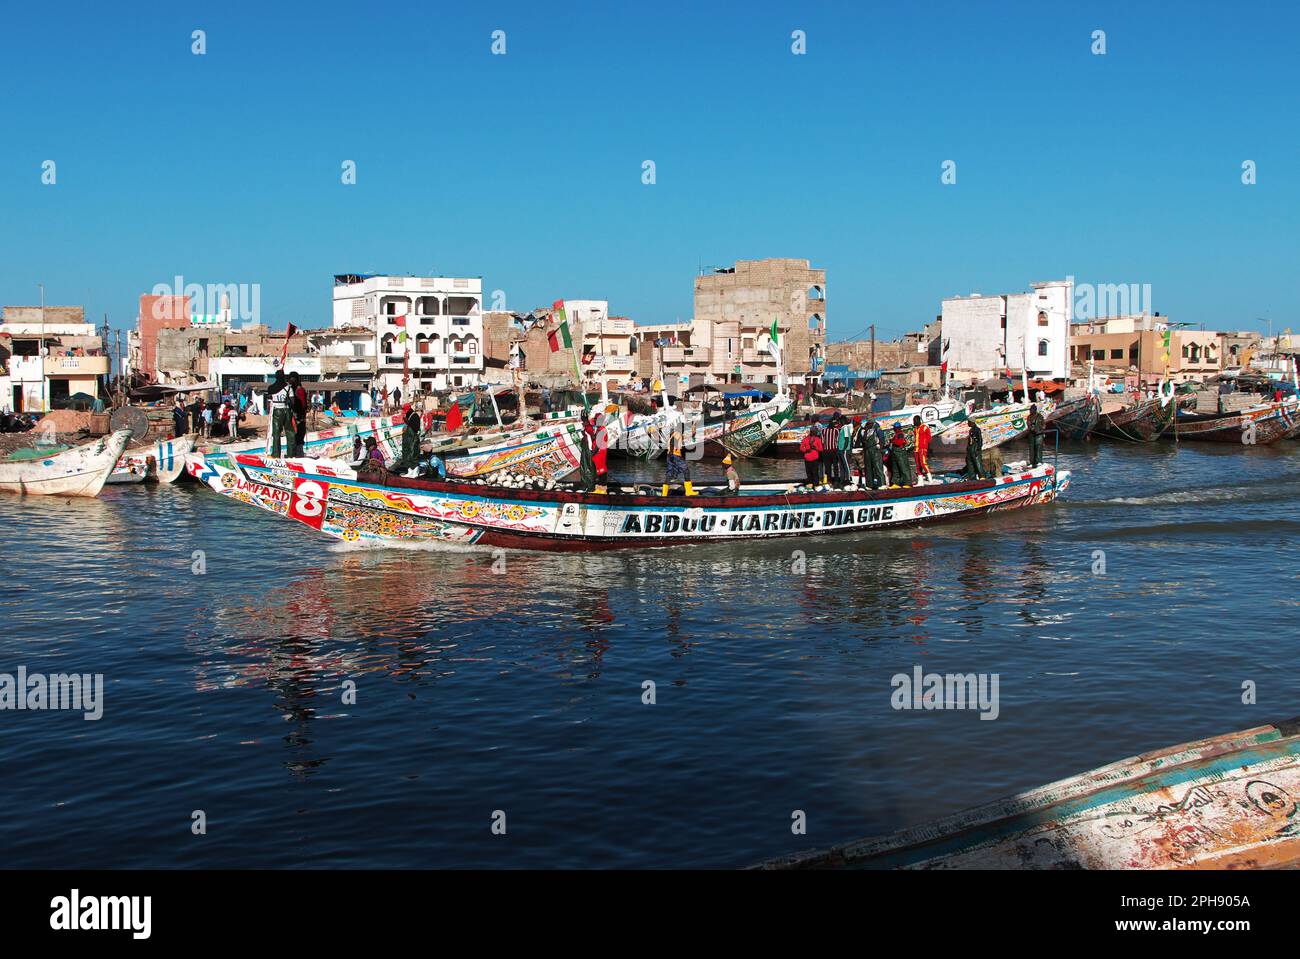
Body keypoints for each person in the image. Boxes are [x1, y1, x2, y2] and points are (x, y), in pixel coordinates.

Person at [856, 414, 887, 490]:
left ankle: (882, 484)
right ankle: (869, 484)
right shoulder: (864, 428)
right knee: (868, 468)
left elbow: (881, 437)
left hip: (875, 449)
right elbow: (862, 440)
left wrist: (880, 446)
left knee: (878, 467)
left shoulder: (877, 427)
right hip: (867, 450)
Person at [266, 370, 293, 457]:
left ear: (276, 377)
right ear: (284, 376)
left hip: (276, 410)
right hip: (286, 410)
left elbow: (269, 401)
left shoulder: (271, 388)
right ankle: (291, 454)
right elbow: (292, 401)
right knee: (289, 432)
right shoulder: (289, 387)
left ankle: (276, 454)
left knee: (276, 433)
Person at [663, 423, 692, 496]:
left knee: (669, 474)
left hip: (669, 455)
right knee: (686, 471)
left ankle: (664, 494)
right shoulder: (678, 433)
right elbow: (673, 441)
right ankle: (689, 492)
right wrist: (673, 453)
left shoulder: (673, 434)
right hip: (675, 455)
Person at [396, 402, 421, 475]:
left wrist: (408, 422)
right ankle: (409, 470)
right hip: (407, 440)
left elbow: (416, 428)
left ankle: (415, 471)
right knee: (407, 455)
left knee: (413, 454)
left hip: (412, 440)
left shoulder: (414, 416)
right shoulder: (408, 416)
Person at [288, 371, 308, 456]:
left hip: (299, 417)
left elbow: (303, 404)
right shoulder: (290, 389)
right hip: (292, 416)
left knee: (299, 435)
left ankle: (298, 454)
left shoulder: (299, 390)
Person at [888, 423, 914, 487]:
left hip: (900, 453)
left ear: (897, 428)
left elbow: (899, 442)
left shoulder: (900, 434)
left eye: (894, 427)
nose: (893, 428)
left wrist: (892, 441)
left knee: (904, 468)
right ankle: (896, 483)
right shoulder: (896, 434)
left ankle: (907, 483)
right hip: (895, 453)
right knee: (895, 468)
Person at [913, 415, 933, 482]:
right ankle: (920, 480)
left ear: (919, 420)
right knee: (918, 465)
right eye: (914, 421)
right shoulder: (915, 429)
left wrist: (928, 448)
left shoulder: (925, 427)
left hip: (923, 448)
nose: (914, 422)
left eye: (915, 421)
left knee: (923, 463)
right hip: (916, 449)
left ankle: (930, 478)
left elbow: (929, 438)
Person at [819, 417, 839, 486]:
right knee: (834, 467)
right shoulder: (836, 430)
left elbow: (822, 442)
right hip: (833, 451)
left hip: (826, 451)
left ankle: (829, 481)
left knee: (828, 467)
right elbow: (837, 441)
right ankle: (835, 480)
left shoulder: (823, 430)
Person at [1027, 403, 1046, 467]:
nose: (1030, 411)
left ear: (1035, 410)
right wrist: (1032, 428)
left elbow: (1043, 424)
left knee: (1038, 447)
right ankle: (1032, 462)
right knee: (1031, 448)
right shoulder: (1029, 417)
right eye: (1030, 410)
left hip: (1039, 434)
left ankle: (1039, 461)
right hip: (1032, 434)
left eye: (1031, 410)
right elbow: (1029, 424)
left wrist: (1041, 429)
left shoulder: (1040, 416)